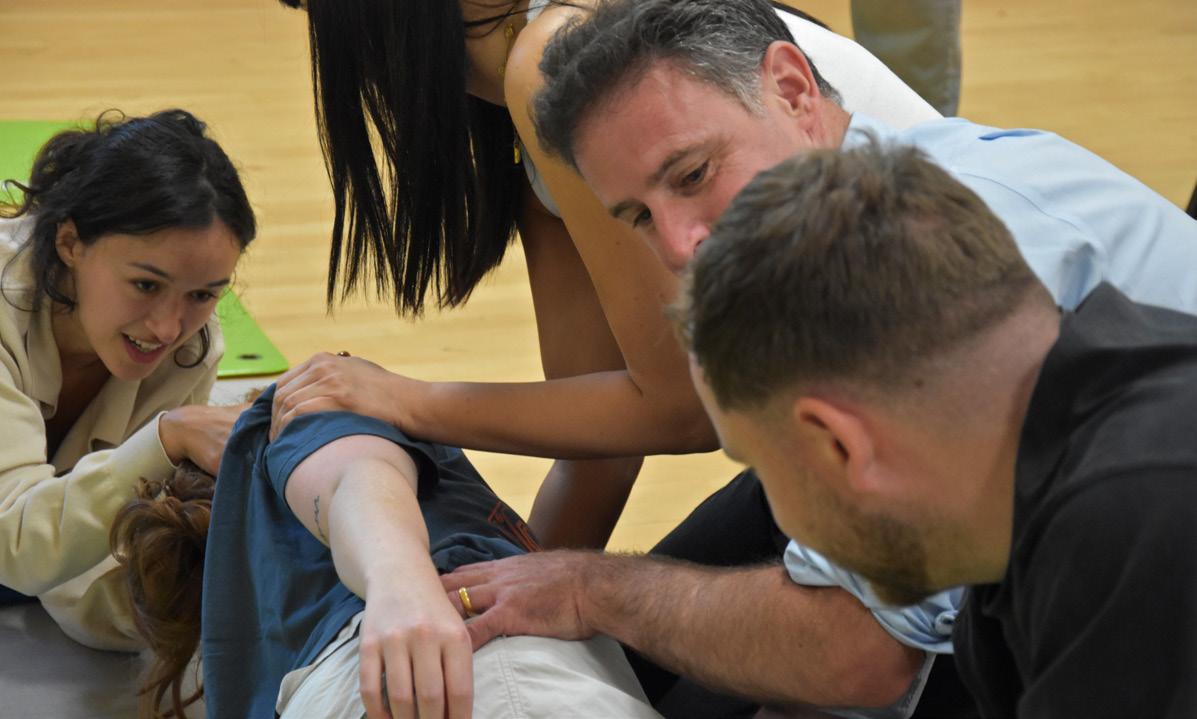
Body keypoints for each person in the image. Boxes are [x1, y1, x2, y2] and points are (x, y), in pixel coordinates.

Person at [438, 0, 1197, 715]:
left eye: (693, 175)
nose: (676, 247)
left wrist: (590, 589)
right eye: (637, 215)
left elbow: (860, 657)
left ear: (794, 90)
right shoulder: (881, 218)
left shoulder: (922, 283)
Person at [270, 0, 938, 551]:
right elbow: (600, 452)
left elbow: (682, 406)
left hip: (936, 440)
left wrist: (408, 401)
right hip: (857, 435)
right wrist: (517, 602)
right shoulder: (526, 92)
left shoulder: (551, 56)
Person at [676, 141, 1197, 716]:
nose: (778, 514)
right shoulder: (1015, 522)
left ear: (839, 444)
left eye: (760, 466)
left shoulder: (1137, 528)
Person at [111, 389, 661, 719]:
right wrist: (402, 582)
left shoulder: (251, 636)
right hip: (478, 677)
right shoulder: (291, 417)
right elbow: (356, 474)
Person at [0, 109, 256, 650]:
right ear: (70, 243)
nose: (169, 328)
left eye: (202, 294)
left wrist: (183, 601)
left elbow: (88, 557)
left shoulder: (192, 348)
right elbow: (15, 546)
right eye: (145, 284)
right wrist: (167, 436)